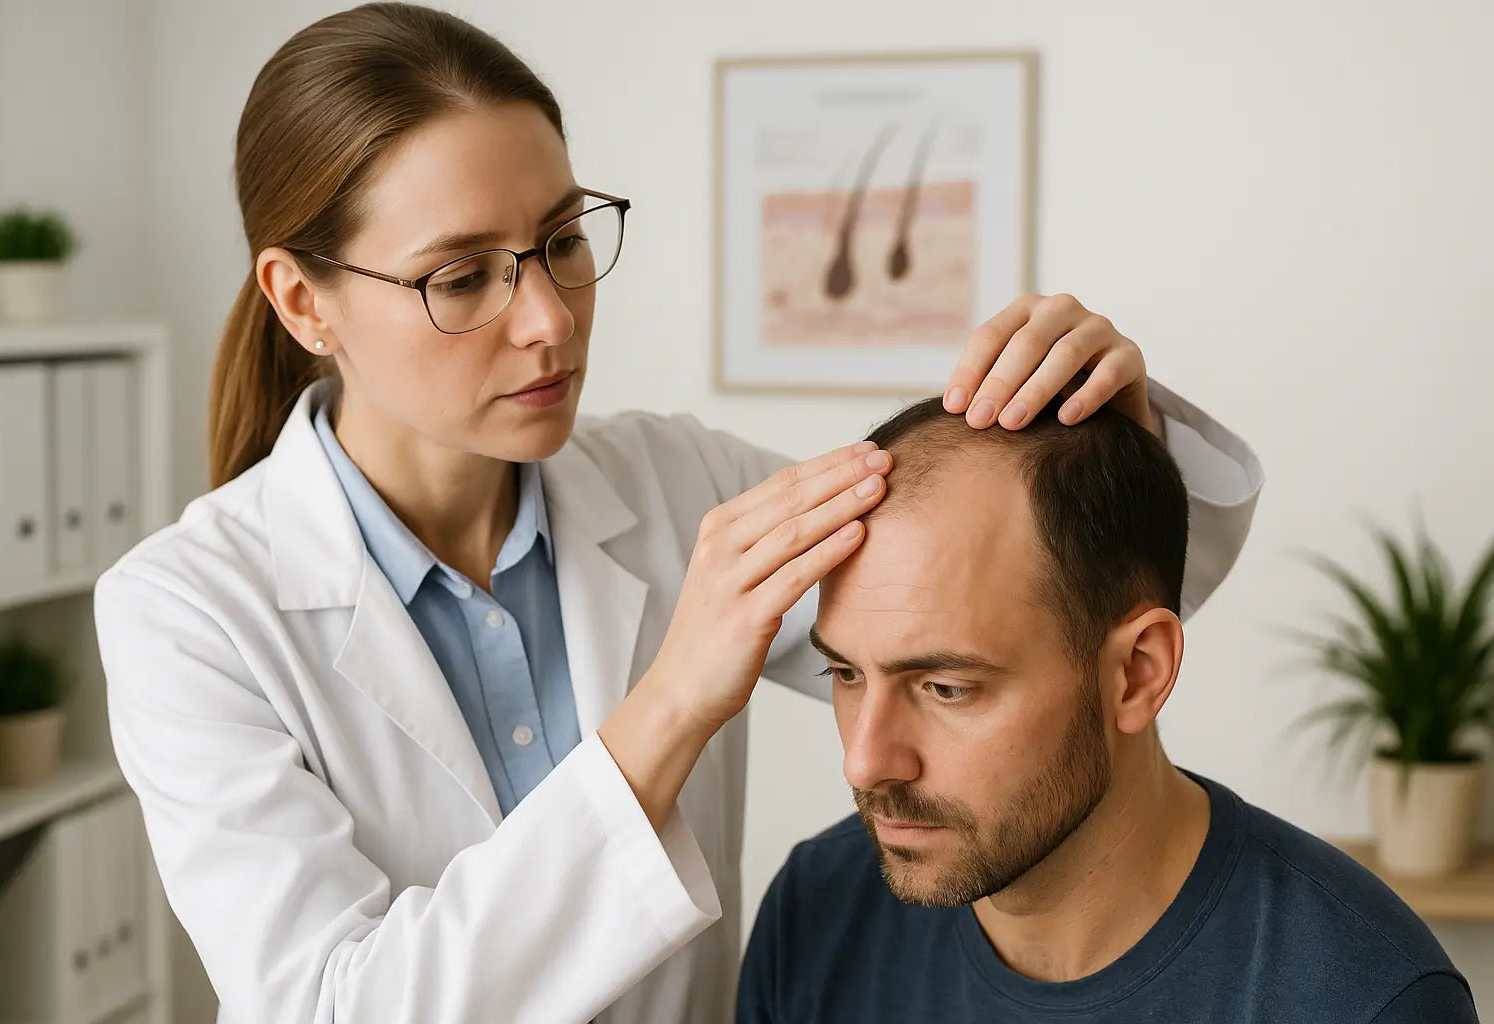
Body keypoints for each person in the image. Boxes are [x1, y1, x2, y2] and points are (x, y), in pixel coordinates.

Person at [92, 5, 1263, 1023]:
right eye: (462, 277)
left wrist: (1115, 418)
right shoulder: (188, 612)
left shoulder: (674, 482)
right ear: (303, 300)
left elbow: (1071, 614)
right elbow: (336, 1009)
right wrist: (669, 706)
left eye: (560, 240)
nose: (550, 319)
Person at [736, 397, 1474, 1023]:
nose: (864, 761)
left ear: (1136, 674)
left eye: (947, 688)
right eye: (845, 672)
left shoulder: (1364, 996)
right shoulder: (816, 913)